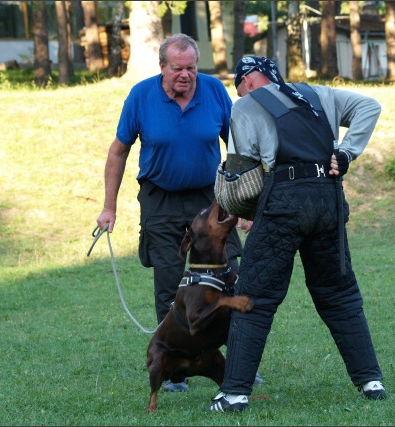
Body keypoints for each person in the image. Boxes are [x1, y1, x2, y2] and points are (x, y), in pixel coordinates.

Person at [205, 56, 385, 412]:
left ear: (249, 81)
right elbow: (370, 106)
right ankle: (371, 382)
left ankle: (235, 394)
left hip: (284, 201)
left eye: (238, 87)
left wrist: (248, 212)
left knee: (254, 294)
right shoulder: (319, 93)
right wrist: (346, 153)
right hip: (329, 199)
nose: (238, 93)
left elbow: (242, 172)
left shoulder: (245, 106)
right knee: (340, 292)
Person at [96, 34, 264, 392]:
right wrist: (109, 207)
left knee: (232, 277)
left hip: (210, 198)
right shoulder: (141, 96)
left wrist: (247, 206)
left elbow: (237, 149)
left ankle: (239, 363)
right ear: (162, 67)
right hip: (161, 201)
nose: (185, 75)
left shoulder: (214, 90)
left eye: (191, 67)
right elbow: (118, 152)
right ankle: (175, 370)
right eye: (177, 68)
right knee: (170, 284)